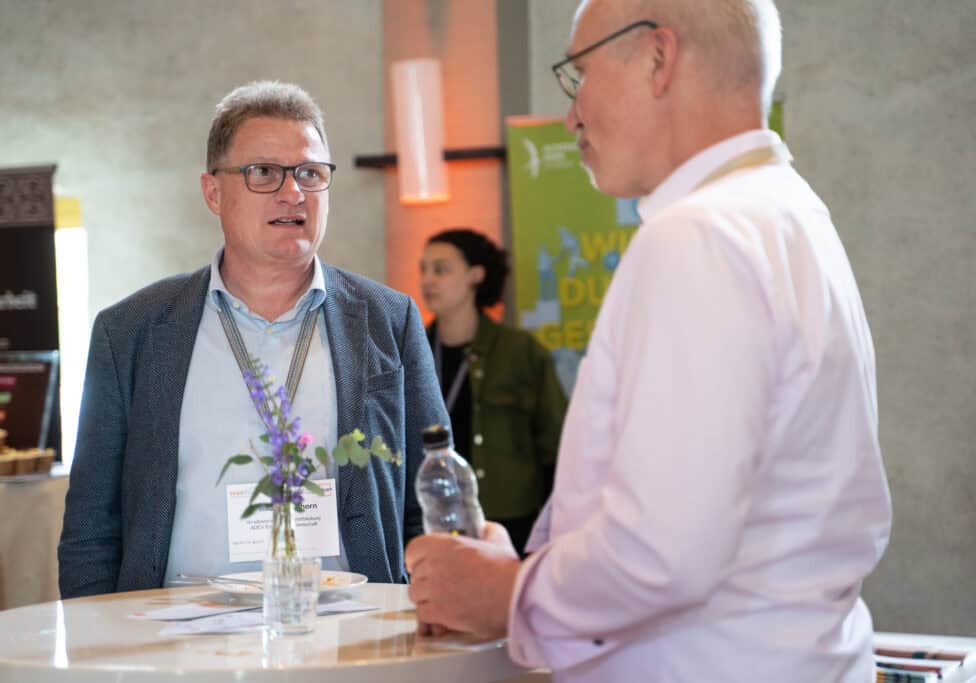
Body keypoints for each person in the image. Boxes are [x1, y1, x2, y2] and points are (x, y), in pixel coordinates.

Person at [405, 1, 893, 681]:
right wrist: (528, 567)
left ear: (659, 58)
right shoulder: (788, 211)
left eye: (580, 76)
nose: (571, 116)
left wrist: (503, 593)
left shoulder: (699, 234)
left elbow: (662, 551)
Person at [58, 81, 449, 598]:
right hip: (176, 628)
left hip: (347, 621)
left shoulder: (388, 320)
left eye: (310, 173)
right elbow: (91, 527)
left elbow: (434, 496)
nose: (293, 192)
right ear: (213, 192)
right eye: (263, 172)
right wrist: (97, 637)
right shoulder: (131, 331)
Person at [420, 228, 567, 555]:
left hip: (511, 522)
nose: (428, 280)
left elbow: (556, 445)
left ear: (476, 275)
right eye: (424, 269)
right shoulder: (413, 350)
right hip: (436, 519)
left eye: (441, 270)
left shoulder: (519, 351)